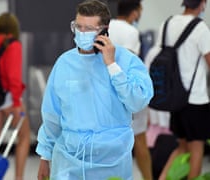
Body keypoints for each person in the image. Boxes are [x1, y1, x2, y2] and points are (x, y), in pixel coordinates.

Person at [36, 0, 154, 179]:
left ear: (104, 30)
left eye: (89, 29)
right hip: (69, 160)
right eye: (79, 26)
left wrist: (112, 66)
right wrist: (45, 156)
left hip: (112, 161)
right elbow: (52, 114)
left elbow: (138, 102)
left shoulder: (126, 61)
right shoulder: (65, 63)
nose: (82, 33)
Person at [156, 0, 210, 179]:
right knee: (196, 150)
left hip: (175, 98)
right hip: (195, 99)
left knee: (181, 147)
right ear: (202, 4)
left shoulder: (167, 23)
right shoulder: (200, 28)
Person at [0, 12, 31, 180]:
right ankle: (18, 178)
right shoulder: (13, 45)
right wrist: (16, 102)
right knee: (24, 137)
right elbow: (13, 77)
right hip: (9, 97)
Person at [108, 1, 153, 180]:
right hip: (127, 91)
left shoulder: (106, 26)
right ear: (134, 13)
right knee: (139, 139)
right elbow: (130, 64)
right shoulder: (131, 32)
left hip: (107, 92)